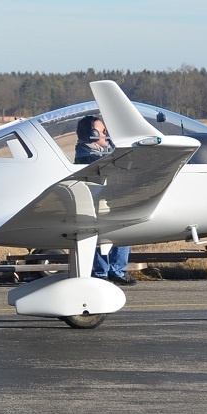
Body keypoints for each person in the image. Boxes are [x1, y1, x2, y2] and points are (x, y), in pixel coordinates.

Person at [74, 115, 135, 286]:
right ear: (93, 134)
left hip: (104, 201)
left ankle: (111, 271)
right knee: (114, 231)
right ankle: (108, 272)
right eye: (103, 132)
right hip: (97, 204)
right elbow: (112, 166)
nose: (107, 135)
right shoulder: (88, 156)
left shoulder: (97, 152)